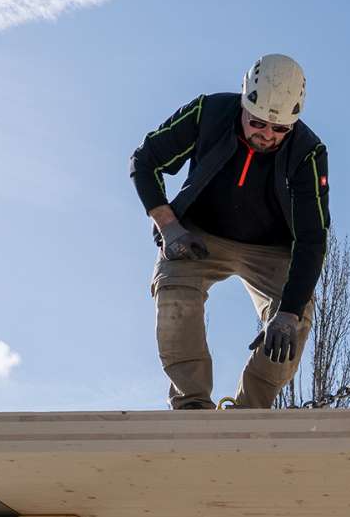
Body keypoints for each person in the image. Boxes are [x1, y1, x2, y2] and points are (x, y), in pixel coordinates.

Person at [130, 54, 330, 410]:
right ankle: (192, 404)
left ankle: (250, 411)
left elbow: (312, 238)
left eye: (280, 129)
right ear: (243, 102)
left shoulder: (308, 153)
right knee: (175, 293)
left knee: (294, 322)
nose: (267, 135)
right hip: (197, 235)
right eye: (257, 124)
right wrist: (169, 226)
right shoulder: (209, 112)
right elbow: (145, 161)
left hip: (270, 249)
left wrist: (288, 311)